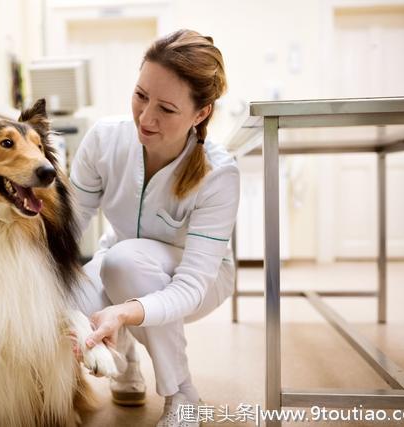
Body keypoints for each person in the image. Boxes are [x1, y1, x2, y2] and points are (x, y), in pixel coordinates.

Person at [70, 29, 240, 427]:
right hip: (120, 261)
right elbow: (63, 235)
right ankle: (126, 360)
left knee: (124, 264)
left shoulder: (219, 174)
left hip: (200, 281)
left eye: (166, 108)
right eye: (140, 95)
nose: (145, 118)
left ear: (201, 113)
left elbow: (191, 285)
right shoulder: (103, 141)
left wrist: (125, 314)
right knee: (68, 298)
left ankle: (181, 391)